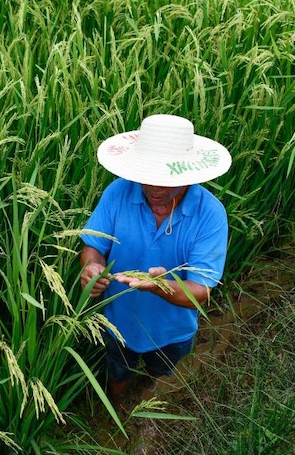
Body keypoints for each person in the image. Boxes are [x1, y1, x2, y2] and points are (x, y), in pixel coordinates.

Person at [79, 114, 232, 406]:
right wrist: (91, 267)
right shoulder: (118, 192)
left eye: (165, 179)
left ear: (187, 173)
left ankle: (148, 404)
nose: (152, 187)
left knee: (161, 380)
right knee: (118, 373)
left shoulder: (211, 215)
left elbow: (200, 292)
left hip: (172, 331)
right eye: (147, 175)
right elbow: (92, 246)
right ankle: (119, 410)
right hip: (117, 322)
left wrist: (160, 286)